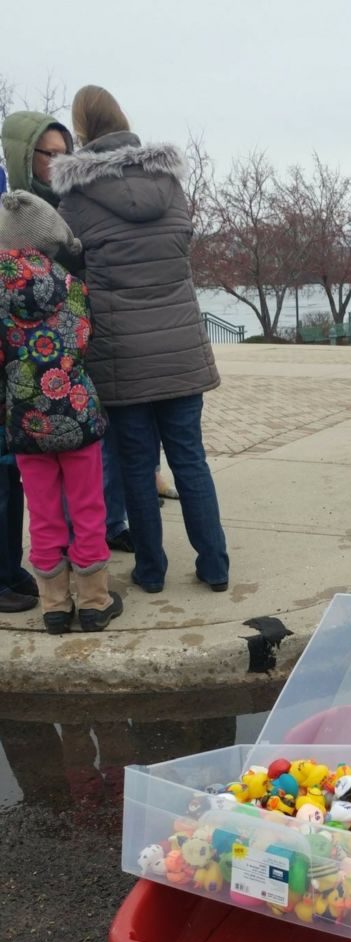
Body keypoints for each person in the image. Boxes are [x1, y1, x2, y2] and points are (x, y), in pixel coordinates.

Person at [51, 86, 228, 593]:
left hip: (119, 352)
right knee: (191, 458)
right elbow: (182, 244)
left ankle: (151, 570)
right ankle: (215, 565)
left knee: (136, 465)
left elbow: (68, 263)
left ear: (81, 131)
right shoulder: (168, 181)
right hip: (179, 347)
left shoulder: (78, 196)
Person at [1, 110, 132, 555]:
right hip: (45, 387)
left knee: (68, 496)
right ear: (25, 154)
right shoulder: (12, 212)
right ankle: (83, 581)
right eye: (49, 154)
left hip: (55, 383)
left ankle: (59, 585)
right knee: (55, 495)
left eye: (64, 153)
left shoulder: (79, 201)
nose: (59, 163)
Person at [0, 191, 123, 632]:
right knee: (88, 508)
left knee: (44, 511)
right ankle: (93, 601)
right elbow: (84, 340)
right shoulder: (72, 285)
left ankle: (54, 606)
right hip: (77, 415)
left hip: (26, 422)